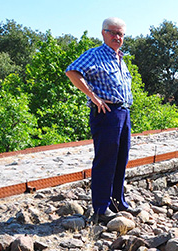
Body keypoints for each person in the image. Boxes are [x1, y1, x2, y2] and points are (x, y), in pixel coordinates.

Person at [65, 17, 134, 223]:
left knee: (121, 159)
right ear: (103, 33)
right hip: (106, 113)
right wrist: (92, 96)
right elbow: (72, 71)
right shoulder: (96, 54)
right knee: (105, 160)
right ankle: (101, 209)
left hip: (123, 112)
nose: (117, 37)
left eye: (120, 34)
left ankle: (117, 202)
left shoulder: (119, 58)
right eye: (113, 32)